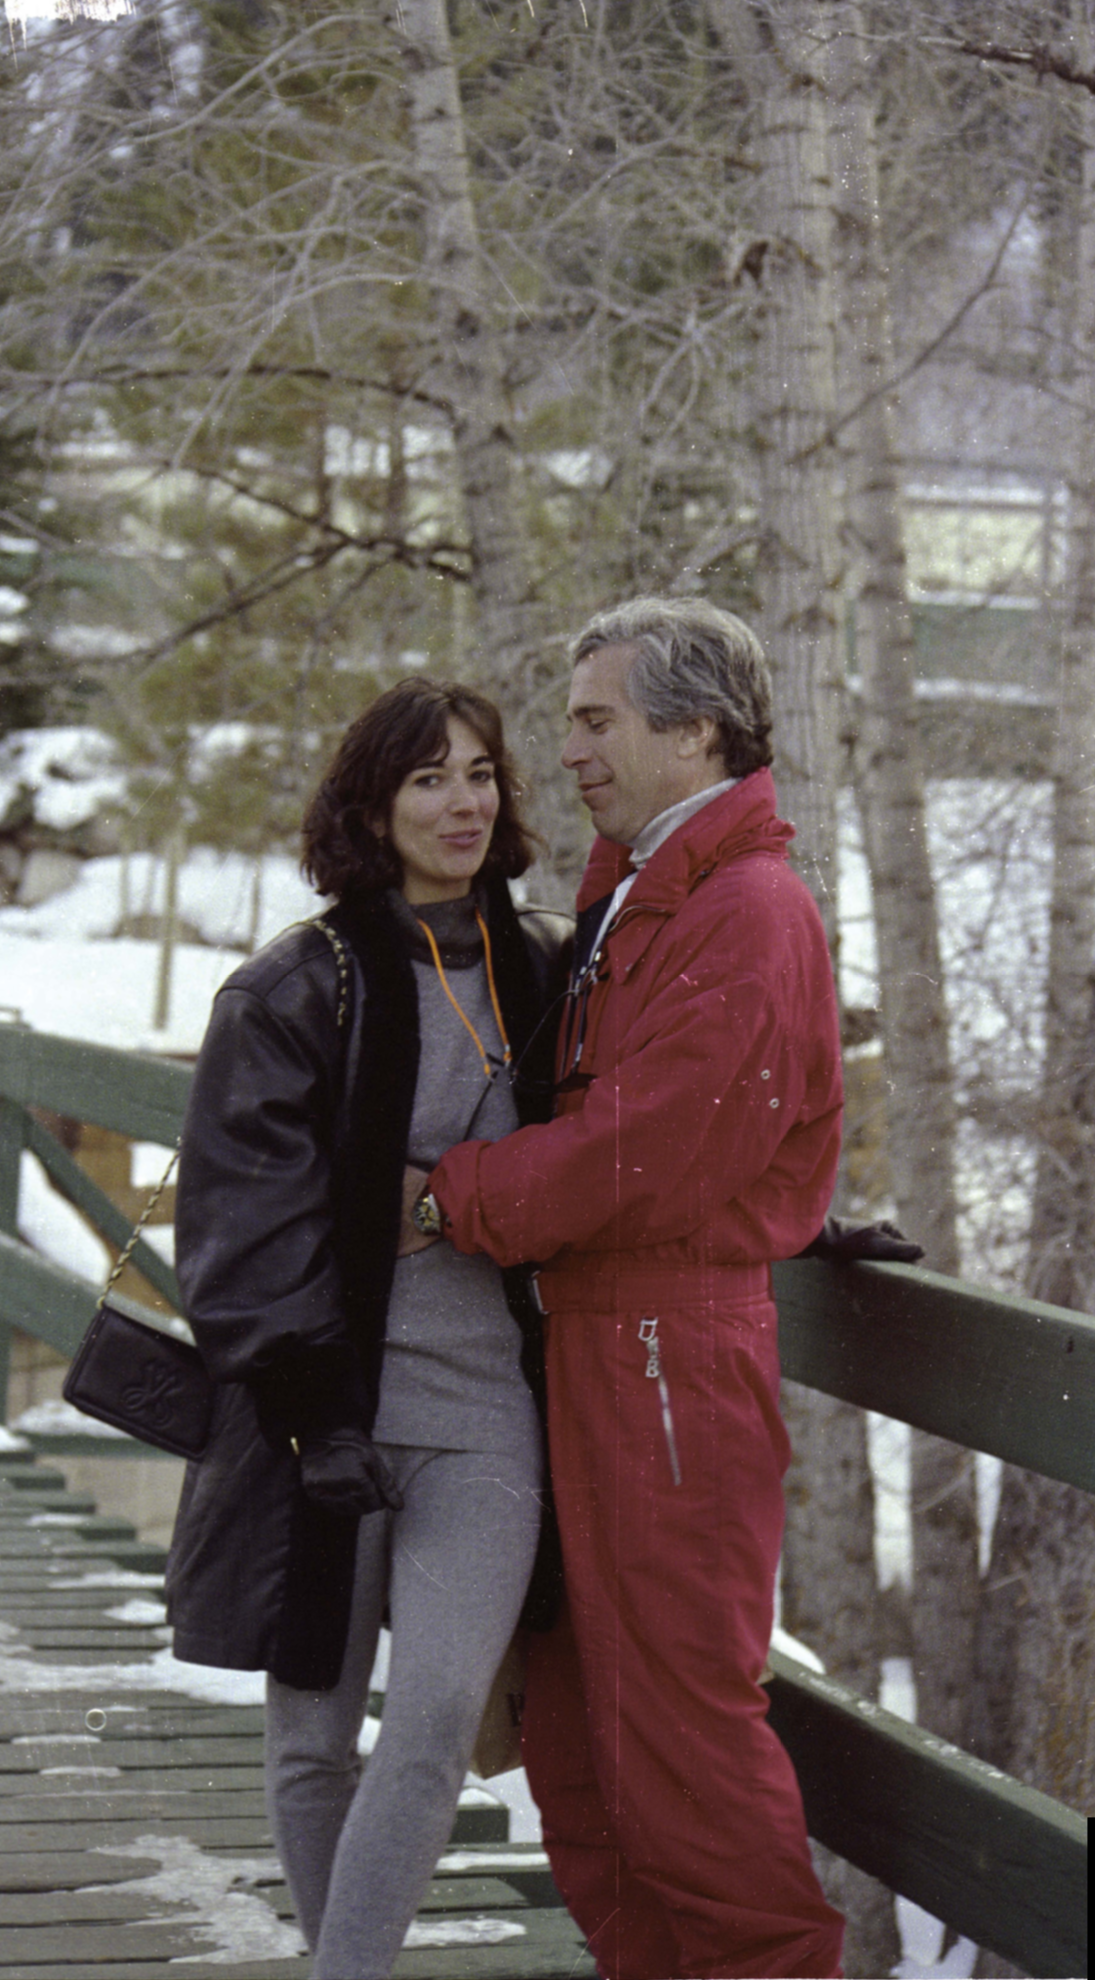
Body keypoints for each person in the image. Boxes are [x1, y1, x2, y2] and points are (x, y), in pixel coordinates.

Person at [404, 597, 851, 1980]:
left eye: (598, 720)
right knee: (580, 1745)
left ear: (694, 731)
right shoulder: (642, 888)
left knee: (678, 1745)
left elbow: (643, 1154)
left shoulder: (748, 908)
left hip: (666, 1359)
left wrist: (444, 1198)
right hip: (598, 1347)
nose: (572, 749)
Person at [164, 679, 570, 1980]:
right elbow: (239, 1223)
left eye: (482, 774)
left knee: (442, 1707)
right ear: (372, 806)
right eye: (428, 780)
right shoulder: (297, 984)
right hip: (322, 1410)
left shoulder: (545, 970)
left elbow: (640, 1143)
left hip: (483, 1407)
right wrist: (307, 1409)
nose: (463, 803)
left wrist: (441, 1204)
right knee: (313, 1734)